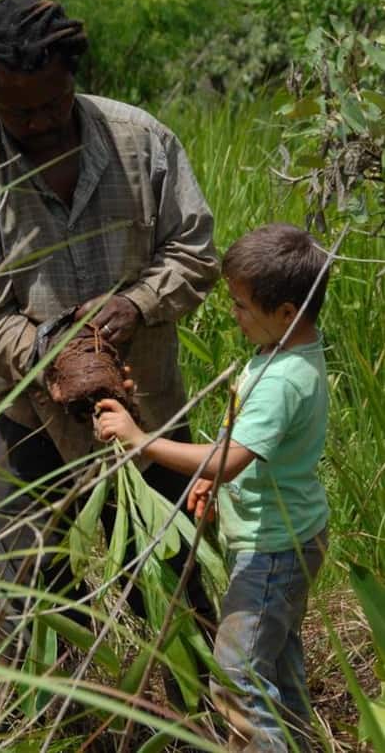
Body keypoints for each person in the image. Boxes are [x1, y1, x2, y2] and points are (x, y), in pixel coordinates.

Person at [0, 0, 220, 655]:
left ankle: (191, 717)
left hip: (148, 413)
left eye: (52, 105)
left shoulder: (141, 141)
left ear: (72, 79)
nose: (38, 124)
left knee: (172, 584)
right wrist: (51, 348)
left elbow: (195, 253)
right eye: (18, 111)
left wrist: (136, 304)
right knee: (34, 594)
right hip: (33, 420)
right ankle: (64, 723)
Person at [97, 223, 330, 752]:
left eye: (243, 306)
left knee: (237, 675)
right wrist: (208, 478)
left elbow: (230, 459)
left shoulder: (281, 379)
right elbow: (244, 441)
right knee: (277, 662)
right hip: (293, 537)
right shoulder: (284, 356)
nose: (234, 315)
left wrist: (141, 441)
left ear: (287, 313)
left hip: (272, 550)